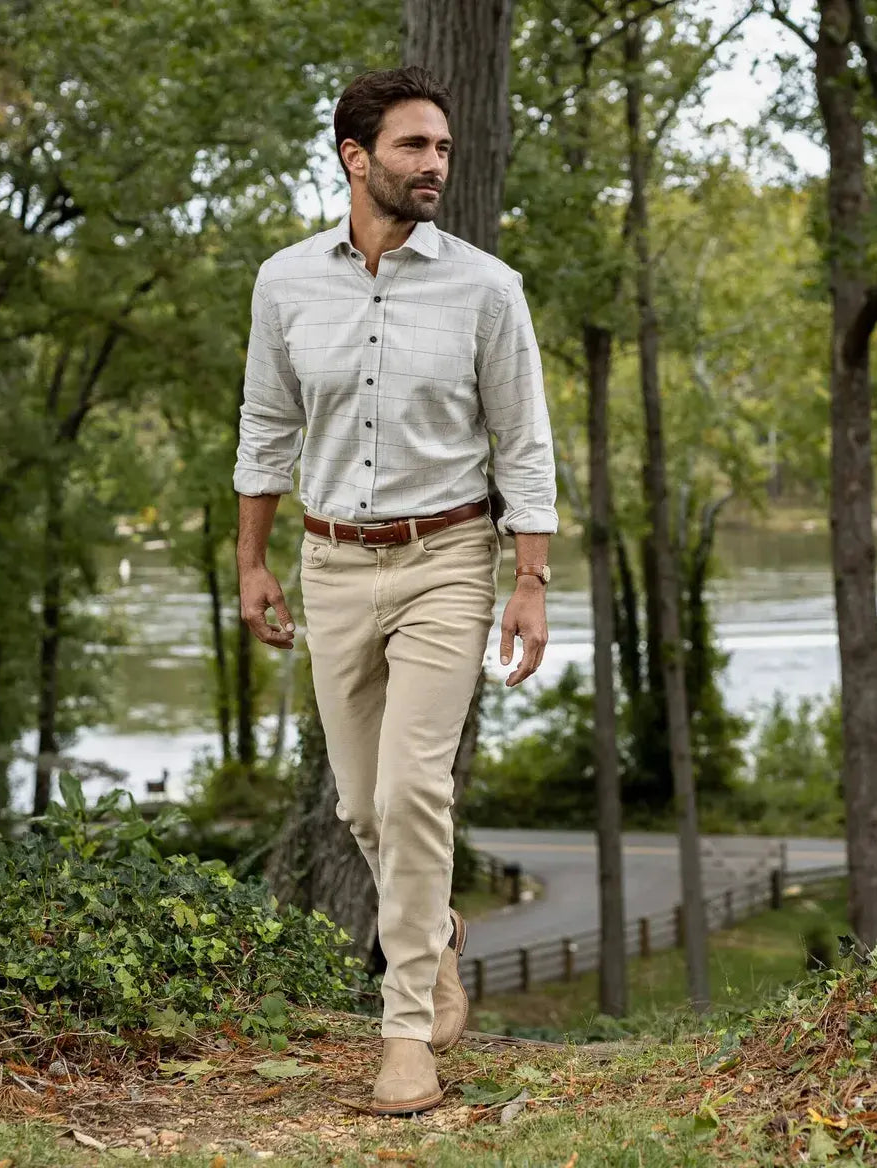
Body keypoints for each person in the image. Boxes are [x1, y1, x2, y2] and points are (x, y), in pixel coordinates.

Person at [233, 65, 557, 1116]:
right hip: (330, 562)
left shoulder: (486, 289)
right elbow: (265, 427)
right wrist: (251, 562)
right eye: (414, 146)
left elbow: (524, 441)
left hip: (447, 558)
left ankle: (405, 1029)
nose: (435, 165)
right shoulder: (284, 282)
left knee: (415, 790)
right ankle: (438, 933)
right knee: (362, 804)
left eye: (444, 148)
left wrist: (530, 577)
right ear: (354, 156)